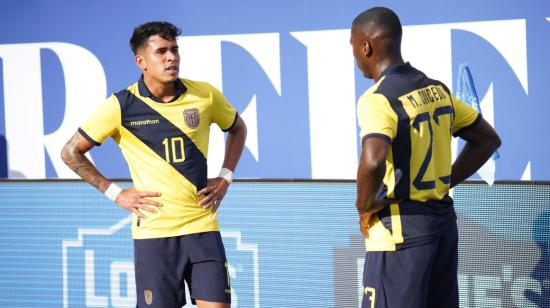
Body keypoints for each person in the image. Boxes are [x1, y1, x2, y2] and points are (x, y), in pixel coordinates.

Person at [61, 21, 247, 308]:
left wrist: (225, 177)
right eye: (161, 52)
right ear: (141, 61)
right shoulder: (121, 106)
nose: (171, 57)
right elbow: (71, 152)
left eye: (174, 50)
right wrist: (115, 193)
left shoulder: (205, 95)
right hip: (155, 234)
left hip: (203, 226)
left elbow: (237, 128)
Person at [351, 7, 501, 308]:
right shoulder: (437, 91)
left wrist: (364, 209)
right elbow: (487, 140)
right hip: (443, 229)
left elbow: (372, 160)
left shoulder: (378, 99)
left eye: (353, 46)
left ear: (365, 47)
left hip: (399, 237)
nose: (354, 56)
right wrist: (445, 180)